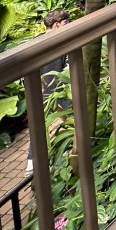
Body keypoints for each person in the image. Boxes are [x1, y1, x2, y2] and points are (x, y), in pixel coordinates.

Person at [26, 9, 71, 174]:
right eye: (66, 22)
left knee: (39, 125)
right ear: (57, 25)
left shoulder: (36, 42)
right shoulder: (59, 42)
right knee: (77, 118)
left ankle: (32, 162)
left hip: (41, 92)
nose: (69, 24)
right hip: (59, 91)